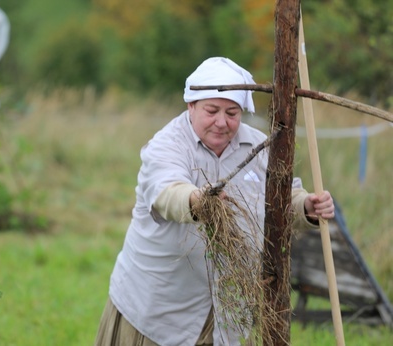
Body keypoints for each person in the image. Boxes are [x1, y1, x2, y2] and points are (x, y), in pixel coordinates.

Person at [94, 57, 335, 346]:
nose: (222, 122)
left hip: (225, 313)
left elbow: (284, 196)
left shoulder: (259, 147)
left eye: (232, 113)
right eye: (212, 111)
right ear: (191, 106)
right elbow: (166, 194)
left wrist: (306, 206)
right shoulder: (167, 145)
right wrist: (198, 201)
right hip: (158, 312)